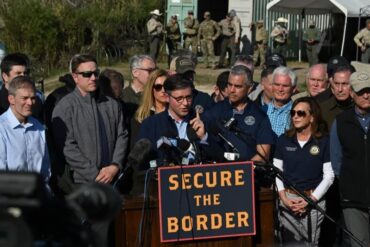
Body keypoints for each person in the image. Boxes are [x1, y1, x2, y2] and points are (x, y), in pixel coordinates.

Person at [51, 54, 128, 246]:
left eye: (95, 73)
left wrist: (114, 166)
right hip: (83, 184)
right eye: (87, 74)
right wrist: (95, 174)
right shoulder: (65, 107)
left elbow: (122, 135)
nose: (93, 77)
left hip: (112, 180)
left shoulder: (111, 104)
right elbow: (67, 147)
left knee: (113, 236)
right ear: (75, 76)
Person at [274, 97, 334, 245]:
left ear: (312, 117)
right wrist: (283, 197)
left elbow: (329, 176)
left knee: (310, 244)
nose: (295, 116)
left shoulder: (324, 141)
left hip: (313, 200)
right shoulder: (284, 139)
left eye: (300, 113)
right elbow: (277, 170)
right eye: (293, 113)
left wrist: (311, 200)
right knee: (290, 243)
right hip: (287, 199)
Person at [138, 75, 221, 168]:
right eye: (179, 99)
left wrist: (204, 137)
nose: (185, 103)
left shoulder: (204, 121)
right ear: (167, 97)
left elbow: (220, 157)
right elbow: (142, 163)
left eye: (189, 97)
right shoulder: (151, 124)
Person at [330, 71, 370, 247]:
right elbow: (336, 162)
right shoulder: (341, 122)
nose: (366, 95)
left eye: (369, 90)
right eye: (361, 91)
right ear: (352, 93)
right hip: (353, 200)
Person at [204, 65, 275, 162]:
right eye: (229, 85)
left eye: (238, 86)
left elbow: (263, 155)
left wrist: (241, 171)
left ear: (249, 88)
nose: (232, 90)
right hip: (218, 172)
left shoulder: (260, 117)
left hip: (248, 174)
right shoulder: (213, 112)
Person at [0, 75, 51, 185]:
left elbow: (45, 168)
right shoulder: (2, 129)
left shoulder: (38, 127)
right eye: (24, 98)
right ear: (11, 99)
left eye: (33, 98)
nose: (30, 103)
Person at [0, 53, 43, 122]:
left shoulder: (36, 100)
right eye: (18, 73)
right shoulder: (1, 105)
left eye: (25, 73)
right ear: (5, 76)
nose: (23, 77)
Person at [132, 69, 168, 148]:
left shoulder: (176, 113)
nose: (163, 90)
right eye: (158, 87)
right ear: (151, 89)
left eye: (166, 86)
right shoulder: (142, 115)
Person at [122, 55, 156, 120]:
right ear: (135, 73)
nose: (154, 74)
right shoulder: (123, 97)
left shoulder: (158, 93)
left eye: (155, 70)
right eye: (149, 71)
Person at [267, 66, 296, 137]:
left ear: (293, 89)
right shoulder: (261, 111)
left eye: (285, 86)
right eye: (277, 84)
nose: (280, 89)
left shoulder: (297, 113)